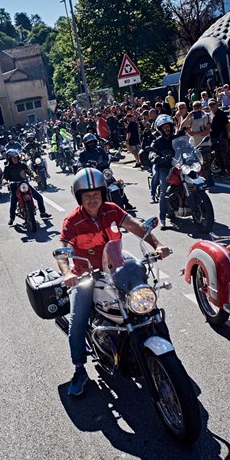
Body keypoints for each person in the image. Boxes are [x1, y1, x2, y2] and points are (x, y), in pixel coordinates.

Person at [57, 168, 171, 396]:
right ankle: (79, 370)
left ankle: (169, 358)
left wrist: (157, 245)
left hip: (116, 269)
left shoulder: (112, 210)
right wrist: (66, 273)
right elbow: (63, 252)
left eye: (96, 194)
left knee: (149, 305)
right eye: (87, 195)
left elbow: (136, 226)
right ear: (79, 197)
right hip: (87, 276)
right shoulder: (72, 221)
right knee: (77, 321)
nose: (92, 199)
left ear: (103, 193)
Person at [2, 150, 52, 226]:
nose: (15, 159)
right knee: (13, 203)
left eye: (16, 157)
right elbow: (4, 178)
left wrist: (34, 175)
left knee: (39, 197)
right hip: (14, 187)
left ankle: (42, 212)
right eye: (13, 158)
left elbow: (30, 171)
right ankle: (12, 217)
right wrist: (5, 182)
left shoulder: (22, 164)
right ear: (9, 159)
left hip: (24, 184)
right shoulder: (7, 168)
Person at [149, 114, 178, 228]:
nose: (167, 128)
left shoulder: (176, 138)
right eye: (164, 127)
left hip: (179, 166)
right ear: (160, 129)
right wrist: (156, 157)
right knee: (164, 191)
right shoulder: (157, 142)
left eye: (168, 126)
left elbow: (186, 145)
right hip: (165, 167)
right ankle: (162, 219)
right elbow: (152, 152)